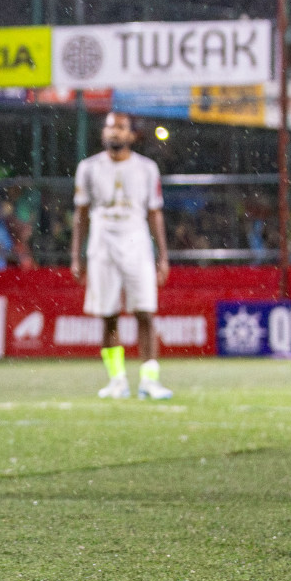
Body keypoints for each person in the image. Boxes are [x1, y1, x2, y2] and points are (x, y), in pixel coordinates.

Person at [71, 111, 172, 400]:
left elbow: (155, 213)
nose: (114, 132)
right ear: (103, 133)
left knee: (145, 312)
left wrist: (162, 256)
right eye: (109, 127)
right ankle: (117, 379)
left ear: (131, 135)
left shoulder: (147, 168)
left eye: (120, 128)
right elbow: (81, 214)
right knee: (108, 314)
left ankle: (149, 380)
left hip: (136, 240)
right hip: (102, 242)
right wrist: (76, 256)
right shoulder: (88, 168)